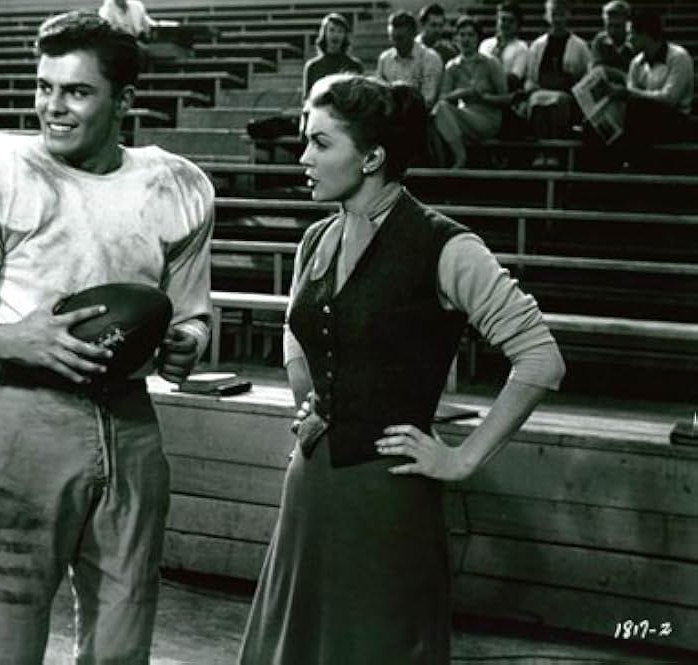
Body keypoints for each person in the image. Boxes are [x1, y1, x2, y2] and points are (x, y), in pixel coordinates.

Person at [0, 11, 213, 664]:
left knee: (122, 644)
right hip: (24, 417)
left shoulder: (176, 186)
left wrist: (189, 341)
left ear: (124, 100)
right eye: (44, 87)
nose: (54, 107)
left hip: (131, 423)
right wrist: (18, 339)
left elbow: (191, 312)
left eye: (76, 91)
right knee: (6, 644)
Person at [237, 73, 565, 664]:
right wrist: (308, 399)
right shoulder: (316, 239)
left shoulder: (446, 245)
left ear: (373, 157)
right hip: (311, 483)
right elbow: (297, 328)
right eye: (304, 141)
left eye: (320, 143)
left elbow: (541, 357)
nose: (303, 157)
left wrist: (463, 458)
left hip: (388, 493)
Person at [608, 8, 694, 162]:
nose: (628, 39)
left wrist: (630, 94)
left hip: (675, 119)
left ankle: (633, 163)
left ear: (645, 34)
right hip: (643, 118)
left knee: (637, 110)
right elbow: (631, 93)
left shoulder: (679, 57)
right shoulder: (636, 62)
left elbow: (670, 99)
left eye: (631, 34)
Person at [432, 15, 510, 168]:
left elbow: (506, 98)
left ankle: (460, 158)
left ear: (478, 38)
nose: (466, 39)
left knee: (442, 116)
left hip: (488, 118)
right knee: (439, 110)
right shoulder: (452, 66)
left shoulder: (490, 62)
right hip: (464, 116)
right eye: (462, 35)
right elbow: (443, 97)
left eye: (470, 35)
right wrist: (463, 93)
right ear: (456, 39)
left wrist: (484, 97)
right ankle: (451, 160)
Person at [524, 0, 591, 164]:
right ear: (547, 16)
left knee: (557, 101)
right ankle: (541, 151)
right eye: (554, 14)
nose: (557, 19)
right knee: (537, 101)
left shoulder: (580, 46)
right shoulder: (538, 45)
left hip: (568, 94)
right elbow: (530, 77)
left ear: (568, 15)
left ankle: (554, 151)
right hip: (541, 89)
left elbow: (586, 77)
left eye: (561, 14)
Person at [376, 10, 443, 110]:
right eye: (392, 38)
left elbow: (428, 100)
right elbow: (379, 95)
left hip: (421, 117)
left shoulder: (430, 58)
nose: (395, 43)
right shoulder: (384, 59)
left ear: (413, 34)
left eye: (400, 38)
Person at [302, 12, 363, 98]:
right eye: (332, 30)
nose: (335, 35)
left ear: (345, 36)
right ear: (324, 33)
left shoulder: (355, 66)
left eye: (340, 31)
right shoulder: (312, 66)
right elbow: (307, 101)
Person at [479, 1, 529, 92]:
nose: (505, 24)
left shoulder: (521, 48)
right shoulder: (485, 44)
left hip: (506, 94)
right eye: (503, 19)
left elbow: (515, 78)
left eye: (510, 21)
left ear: (518, 24)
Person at [590, 0, 634, 83]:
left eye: (618, 26)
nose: (612, 31)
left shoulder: (635, 41)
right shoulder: (600, 41)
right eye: (609, 26)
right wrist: (621, 74)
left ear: (627, 24)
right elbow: (597, 70)